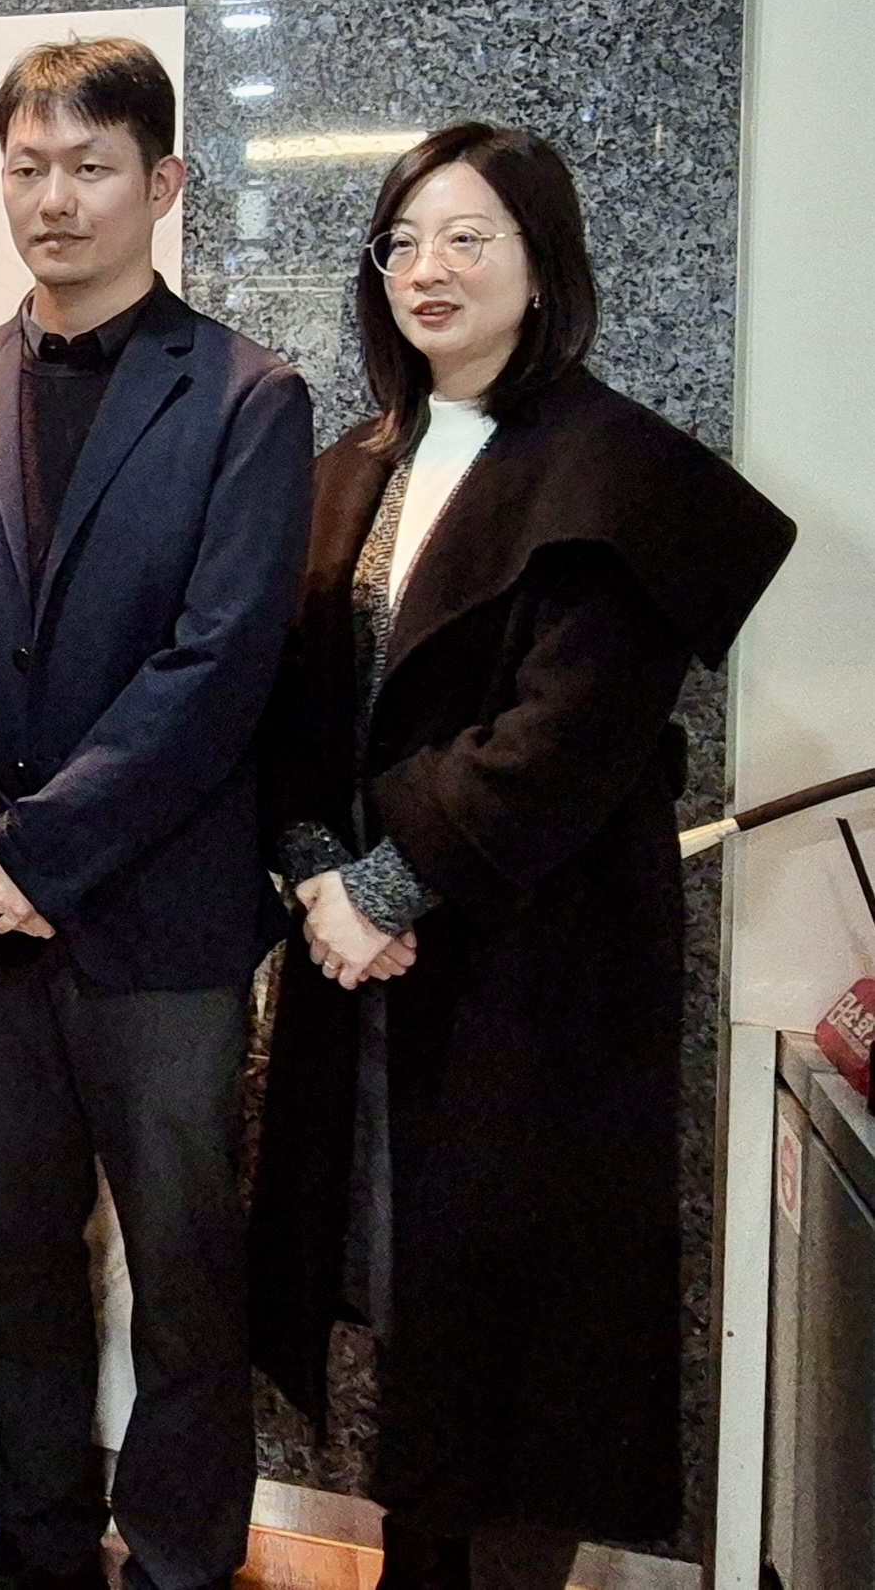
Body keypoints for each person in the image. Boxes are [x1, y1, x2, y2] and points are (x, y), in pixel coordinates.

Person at [250, 125, 793, 1590]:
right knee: (391, 1289)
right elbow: (296, 701)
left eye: (466, 237)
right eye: (401, 241)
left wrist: (378, 890)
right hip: (368, 971)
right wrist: (314, 862)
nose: (426, 269)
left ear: (542, 266)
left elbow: (570, 729)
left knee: (516, 1323)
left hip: (531, 974)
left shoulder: (619, 470)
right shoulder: (356, 463)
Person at [0, 41, 311, 1590]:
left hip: (159, 923)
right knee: (15, 1257)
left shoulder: (246, 396)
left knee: (182, 1269)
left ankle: (178, 1557)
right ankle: (32, 1541)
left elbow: (217, 671)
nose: (54, 198)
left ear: (162, 183)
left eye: (89, 167)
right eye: (27, 165)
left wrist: (37, 849)